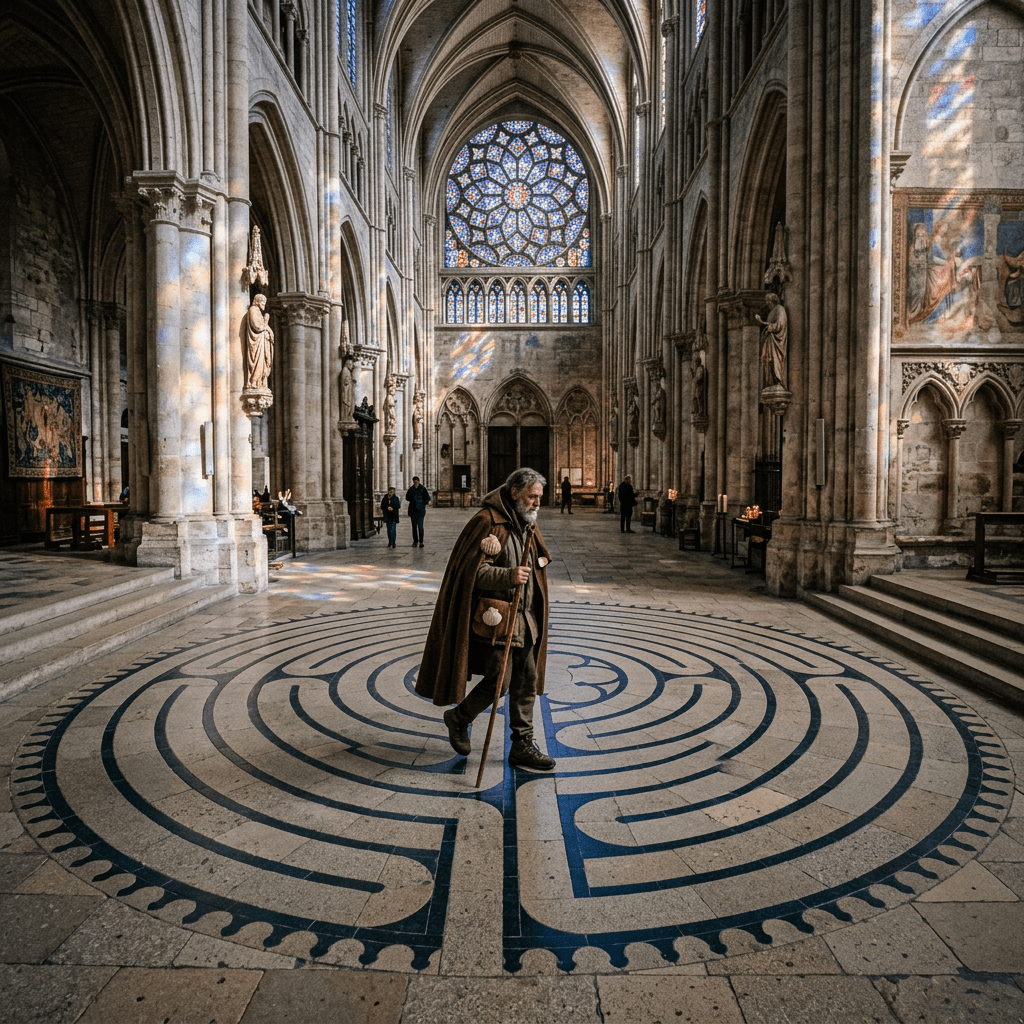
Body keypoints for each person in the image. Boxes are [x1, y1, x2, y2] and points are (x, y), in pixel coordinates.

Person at [415, 467, 555, 772]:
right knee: (497, 682)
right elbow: (472, 573)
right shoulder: (487, 522)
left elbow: (537, 561)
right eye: (532, 497)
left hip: (526, 621)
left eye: (539, 498)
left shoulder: (527, 525)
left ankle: (522, 744)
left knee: (525, 683)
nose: (537, 503)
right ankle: (459, 718)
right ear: (516, 492)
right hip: (497, 622)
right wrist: (508, 575)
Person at [756, 292, 788, 389]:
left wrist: (767, 325)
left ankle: (778, 381)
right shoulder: (771, 312)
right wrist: (763, 323)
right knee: (767, 360)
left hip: (776, 342)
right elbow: (769, 325)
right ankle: (770, 382)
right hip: (770, 340)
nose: (767, 303)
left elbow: (780, 324)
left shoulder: (779, 309)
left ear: (773, 300)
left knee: (775, 359)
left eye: (768, 301)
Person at [245, 293, 274, 390]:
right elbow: (257, 326)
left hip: (262, 343)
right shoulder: (253, 310)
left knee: (262, 365)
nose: (264, 305)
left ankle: (259, 383)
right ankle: (254, 382)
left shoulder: (259, 312)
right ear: (257, 301)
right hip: (257, 344)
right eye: (262, 302)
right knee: (258, 363)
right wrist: (265, 324)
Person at [406, 476, 431, 546]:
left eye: (416, 482)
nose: (415, 483)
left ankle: (421, 541)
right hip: (413, 510)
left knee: (420, 526)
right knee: (414, 527)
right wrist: (413, 499)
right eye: (414, 482)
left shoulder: (423, 489)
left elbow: (428, 498)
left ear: (418, 481)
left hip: (420, 511)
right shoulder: (411, 489)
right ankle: (415, 541)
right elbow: (407, 497)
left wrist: (423, 504)